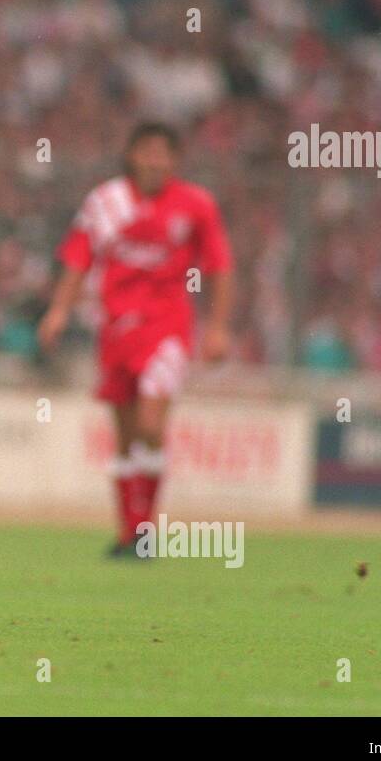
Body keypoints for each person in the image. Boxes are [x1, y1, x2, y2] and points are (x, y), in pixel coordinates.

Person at [38, 123, 233, 557]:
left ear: (176, 160)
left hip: (166, 328)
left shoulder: (195, 204)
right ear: (131, 155)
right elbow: (78, 256)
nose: (155, 160)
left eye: (164, 152)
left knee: (150, 423)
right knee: (125, 436)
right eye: (147, 151)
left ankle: (145, 531)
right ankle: (131, 534)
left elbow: (219, 265)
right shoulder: (106, 202)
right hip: (114, 329)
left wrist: (218, 326)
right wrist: (59, 310)